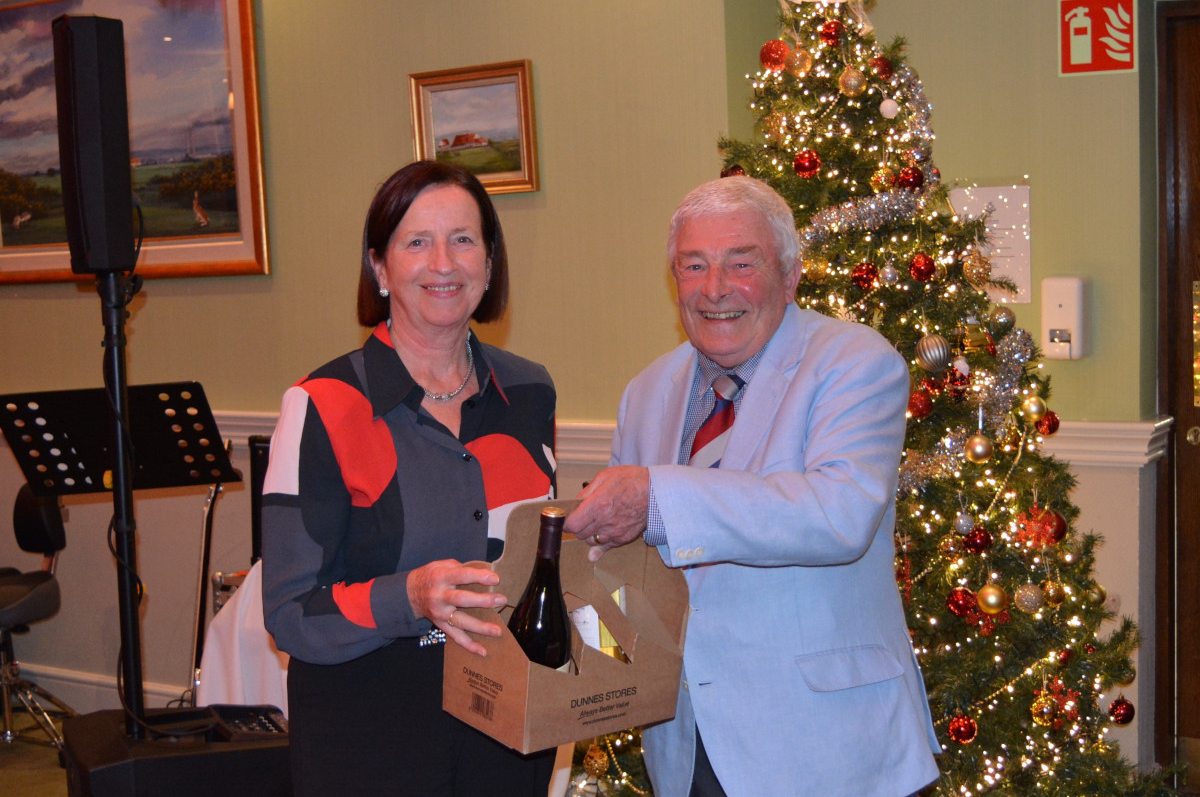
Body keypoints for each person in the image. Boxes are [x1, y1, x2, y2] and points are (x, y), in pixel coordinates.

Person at [565, 175, 940, 796]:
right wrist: (575, 645)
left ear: (790, 276)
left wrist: (656, 498)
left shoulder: (854, 361)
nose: (715, 288)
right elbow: (625, 567)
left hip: (828, 747)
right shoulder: (647, 391)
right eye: (694, 265)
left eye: (742, 263)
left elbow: (838, 514)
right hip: (686, 746)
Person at [261, 161, 558, 796]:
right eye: (417, 241)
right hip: (370, 736)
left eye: (463, 239)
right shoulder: (321, 405)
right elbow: (290, 613)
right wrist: (412, 598)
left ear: (489, 262)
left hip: (507, 729)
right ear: (379, 267)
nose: (443, 263)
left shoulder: (530, 391)